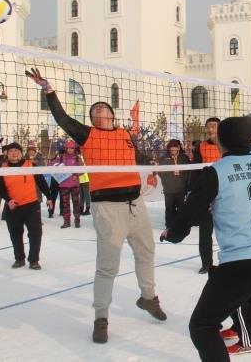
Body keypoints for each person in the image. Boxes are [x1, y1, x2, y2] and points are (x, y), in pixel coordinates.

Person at [26, 68, 165, 344]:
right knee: (107, 266)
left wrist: (151, 164)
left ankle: (148, 298)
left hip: (135, 203)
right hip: (107, 207)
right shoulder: (87, 134)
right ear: (92, 119)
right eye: (95, 109)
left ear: (112, 115)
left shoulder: (125, 133)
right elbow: (62, 118)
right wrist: (49, 90)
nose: (100, 110)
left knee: (147, 253)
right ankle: (101, 317)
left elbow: (136, 155)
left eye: (104, 107)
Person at [162, 117, 251, 361]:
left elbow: (188, 213)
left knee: (202, 325)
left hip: (243, 262)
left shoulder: (216, 171)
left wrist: (173, 234)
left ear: (220, 142)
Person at [0, 142, 52, 269]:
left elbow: (41, 182)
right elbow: (1, 188)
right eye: (11, 151)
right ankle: (19, 259)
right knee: (15, 234)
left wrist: (49, 197)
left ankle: (33, 260)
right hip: (13, 207)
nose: (14, 153)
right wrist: (8, 200)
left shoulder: (30, 165)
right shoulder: (2, 168)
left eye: (17, 151)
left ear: (21, 153)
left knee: (35, 233)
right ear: (7, 154)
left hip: (32, 205)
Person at [193, 117, 221, 274]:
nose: (210, 129)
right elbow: (196, 172)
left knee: (232, 229)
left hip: (225, 194)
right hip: (207, 195)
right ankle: (206, 263)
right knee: (205, 233)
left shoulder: (226, 146)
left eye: (214, 126)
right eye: (208, 126)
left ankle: (234, 261)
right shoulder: (201, 147)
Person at [157, 139, 191, 229]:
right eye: (171, 149)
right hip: (169, 189)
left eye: (174, 148)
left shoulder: (184, 158)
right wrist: (167, 181)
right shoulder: (164, 158)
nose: (173, 150)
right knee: (169, 209)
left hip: (181, 188)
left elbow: (188, 172)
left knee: (181, 208)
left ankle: (180, 225)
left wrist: (186, 184)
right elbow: (160, 172)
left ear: (178, 148)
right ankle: (169, 226)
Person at [52, 139, 84, 228]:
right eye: (68, 148)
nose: (70, 149)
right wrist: (54, 162)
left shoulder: (77, 158)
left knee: (76, 203)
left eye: (72, 148)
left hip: (74, 185)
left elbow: (83, 170)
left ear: (74, 148)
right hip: (64, 185)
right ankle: (67, 221)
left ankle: (77, 220)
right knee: (65, 204)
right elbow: (52, 166)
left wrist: (76, 175)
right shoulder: (61, 157)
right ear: (65, 148)